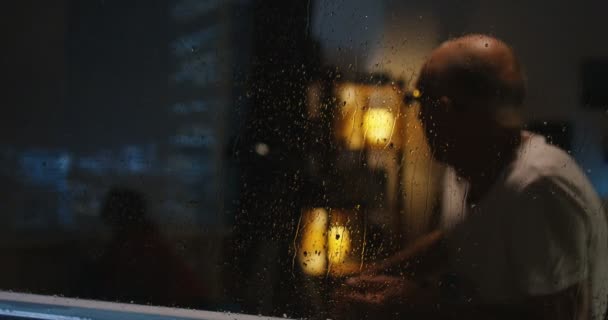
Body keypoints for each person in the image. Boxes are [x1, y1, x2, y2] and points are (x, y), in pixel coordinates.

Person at [336, 35, 608, 320]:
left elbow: (561, 316)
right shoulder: (480, 171)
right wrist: (371, 278)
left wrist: (423, 305)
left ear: (444, 108)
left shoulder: (538, 186)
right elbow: (454, 241)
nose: (418, 116)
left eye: (418, 100)